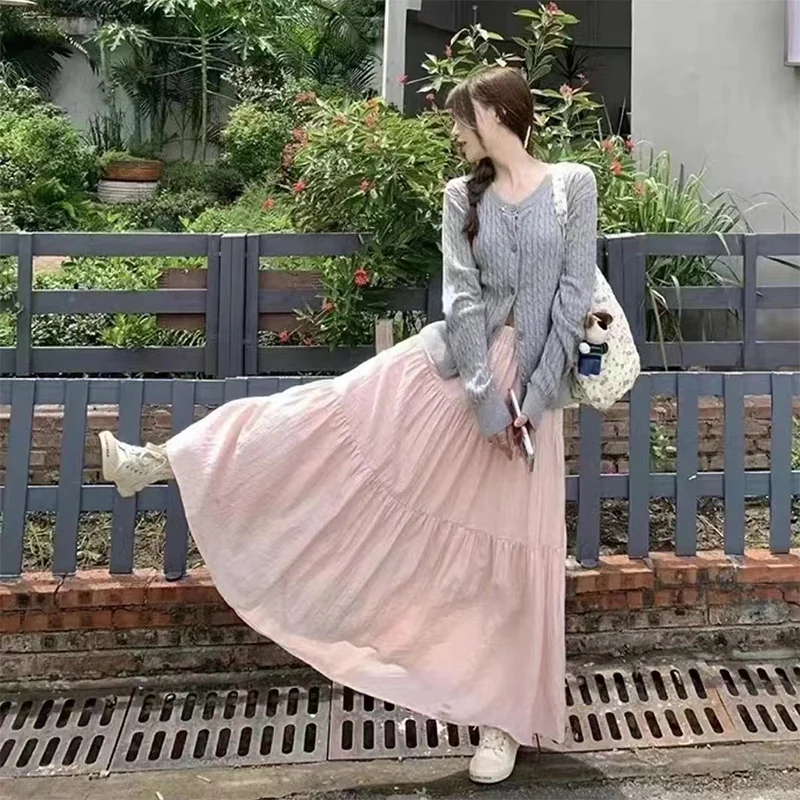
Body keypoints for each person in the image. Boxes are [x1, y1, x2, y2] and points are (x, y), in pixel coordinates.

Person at [98, 66, 596, 785]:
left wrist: (532, 402)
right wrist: (490, 402)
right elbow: (461, 300)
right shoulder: (460, 196)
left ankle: (502, 722)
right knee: (320, 420)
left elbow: (573, 298)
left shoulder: (573, 185)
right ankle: (166, 460)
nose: (455, 134)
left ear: (493, 114)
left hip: (534, 405)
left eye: (461, 120)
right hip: (453, 376)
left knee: (510, 554)